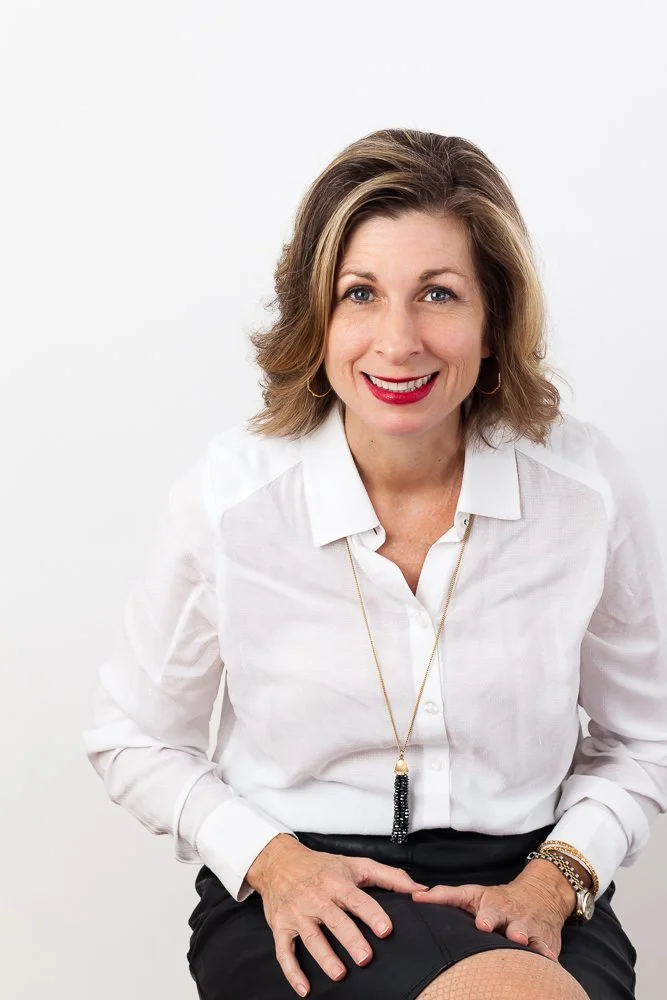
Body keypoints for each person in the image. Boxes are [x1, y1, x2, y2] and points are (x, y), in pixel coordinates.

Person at [82, 129, 667, 1000]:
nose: (397, 341)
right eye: (361, 294)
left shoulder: (583, 494)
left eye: (437, 293)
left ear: (493, 320)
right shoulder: (229, 502)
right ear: (316, 317)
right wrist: (273, 864)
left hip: (527, 879)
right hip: (297, 885)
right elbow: (134, 736)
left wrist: (560, 875)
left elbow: (644, 738)